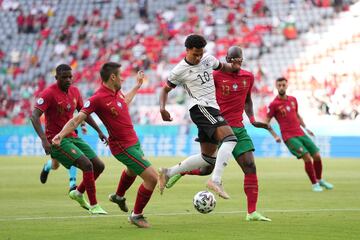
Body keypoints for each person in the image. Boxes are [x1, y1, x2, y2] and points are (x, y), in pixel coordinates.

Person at [163, 46, 271, 221]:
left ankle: (252, 212)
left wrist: (251, 118)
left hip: (239, 127)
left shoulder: (248, 77)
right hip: (217, 125)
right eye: (232, 60)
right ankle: (181, 171)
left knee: (250, 166)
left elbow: (248, 100)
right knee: (207, 168)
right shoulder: (215, 76)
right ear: (226, 59)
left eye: (239, 60)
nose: (235, 63)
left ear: (242, 60)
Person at [52, 62, 158, 228]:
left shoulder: (116, 93)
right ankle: (136, 215)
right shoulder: (97, 98)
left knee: (132, 170)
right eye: (120, 76)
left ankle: (118, 196)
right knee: (152, 178)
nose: (123, 78)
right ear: (113, 77)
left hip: (134, 142)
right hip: (123, 146)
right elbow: (76, 120)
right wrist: (60, 135)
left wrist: (137, 86)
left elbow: (125, 102)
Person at [159, 34, 242, 199]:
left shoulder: (208, 59)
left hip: (211, 108)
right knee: (231, 139)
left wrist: (235, 65)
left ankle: (168, 172)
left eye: (200, 54)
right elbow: (165, 89)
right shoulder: (179, 70)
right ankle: (216, 181)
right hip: (200, 108)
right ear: (187, 50)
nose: (198, 57)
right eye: (195, 54)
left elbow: (224, 67)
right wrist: (162, 108)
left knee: (208, 159)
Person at [30, 64, 108, 214]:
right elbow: (34, 116)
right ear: (56, 78)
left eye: (70, 76)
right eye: (64, 77)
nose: (68, 79)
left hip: (72, 136)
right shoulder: (48, 94)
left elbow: (84, 112)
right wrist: (43, 140)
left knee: (99, 166)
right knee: (87, 165)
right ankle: (94, 205)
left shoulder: (75, 91)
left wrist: (99, 131)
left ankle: (77, 193)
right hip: (56, 140)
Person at [265, 77, 334, 192]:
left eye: (283, 85)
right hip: (289, 136)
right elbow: (265, 122)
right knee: (307, 157)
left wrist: (306, 128)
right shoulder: (274, 104)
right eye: (279, 85)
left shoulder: (293, 100)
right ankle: (314, 184)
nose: (281, 87)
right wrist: (275, 135)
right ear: (276, 86)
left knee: (316, 155)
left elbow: (297, 115)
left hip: (300, 132)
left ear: (287, 85)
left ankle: (319, 179)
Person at [39, 123, 86, 192]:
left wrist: (83, 125)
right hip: (55, 133)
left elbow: (82, 112)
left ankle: (72, 184)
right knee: (55, 165)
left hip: (70, 131)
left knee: (74, 157)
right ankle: (47, 166)